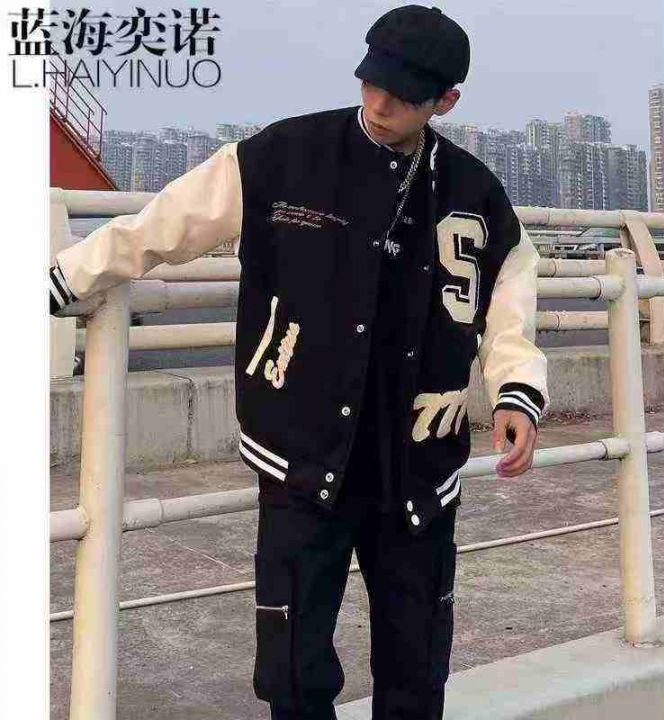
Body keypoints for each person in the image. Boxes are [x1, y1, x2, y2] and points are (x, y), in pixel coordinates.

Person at [49, 5, 549, 718]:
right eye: (371, 82)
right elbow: (164, 223)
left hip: (416, 465)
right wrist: (65, 277)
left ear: (446, 101)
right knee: (291, 671)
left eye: (403, 96)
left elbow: (510, 297)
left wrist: (516, 390)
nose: (379, 104)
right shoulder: (284, 156)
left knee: (416, 665)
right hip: (300, 456)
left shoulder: (475, 191)